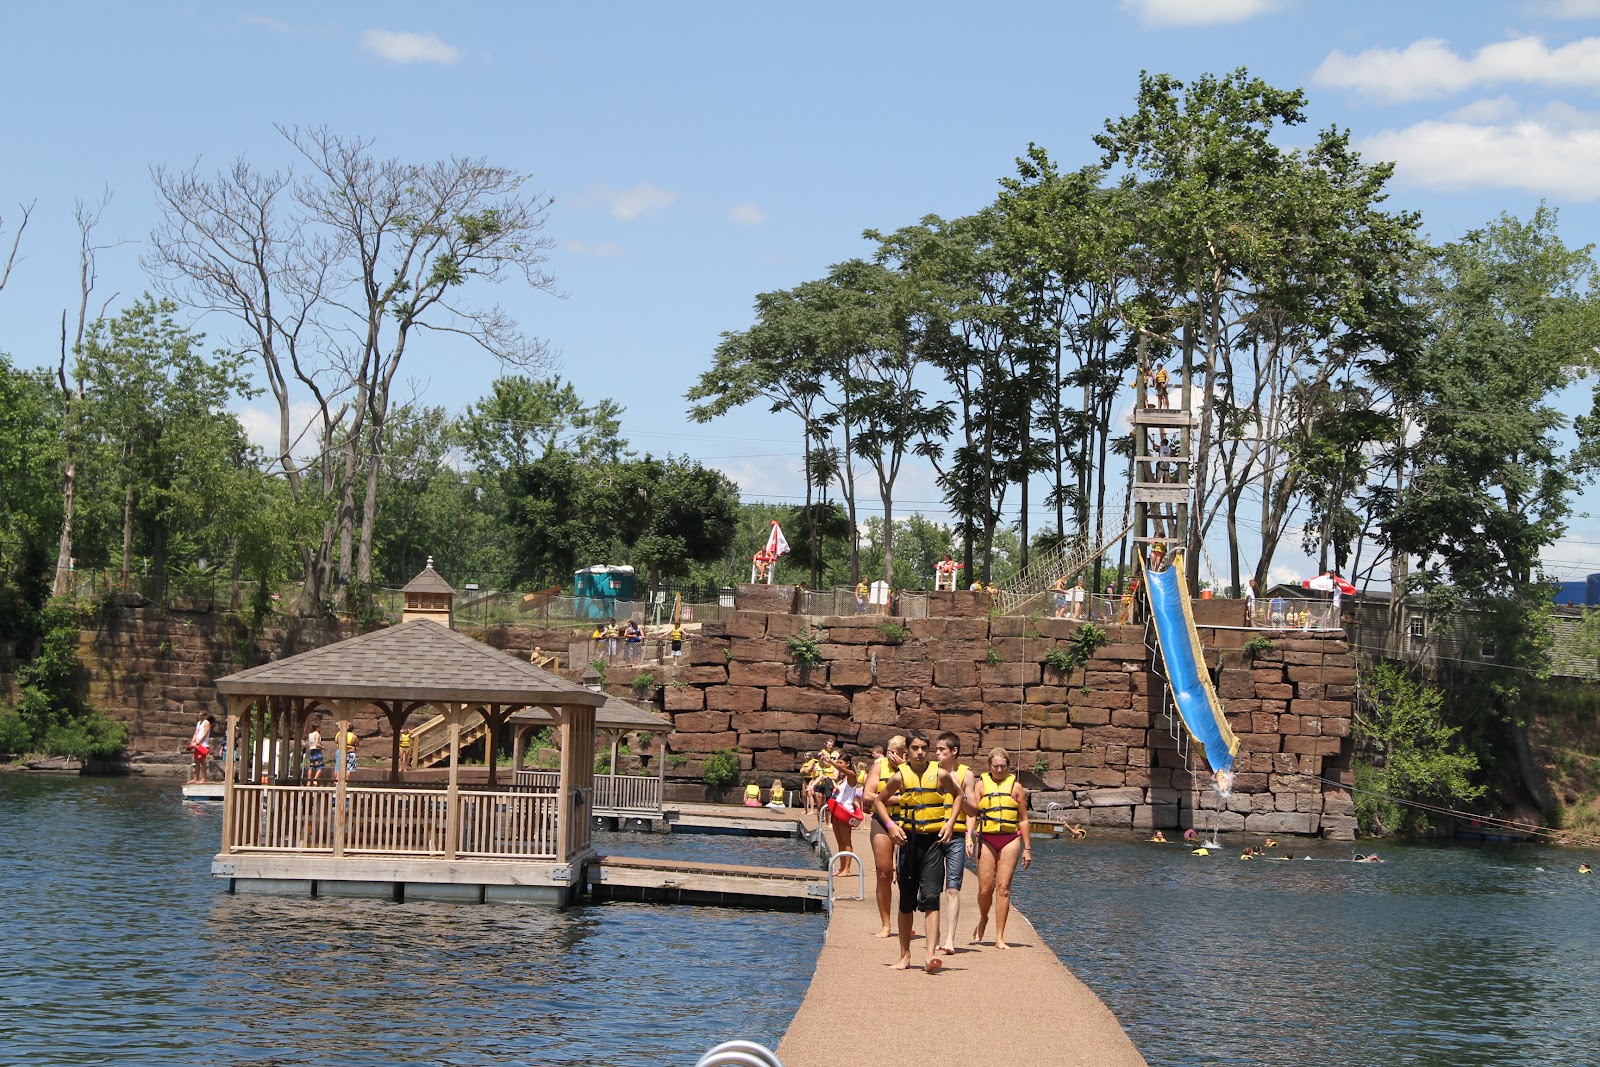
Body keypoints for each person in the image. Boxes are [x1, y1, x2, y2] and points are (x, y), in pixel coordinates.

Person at [873, 730, 970, 973]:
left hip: (933, 843)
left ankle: (930, 955)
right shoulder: (899, 776)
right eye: (915, 748)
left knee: (931, 898)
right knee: (906, 901)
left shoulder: (941, 774)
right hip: (909, 842)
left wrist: (950, 823)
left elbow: (959, 795)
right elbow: (878, 800)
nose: (920, 752)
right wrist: (891, 825)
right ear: (907, 751)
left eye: (924, 748)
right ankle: (904, 955)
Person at [969, 747, 1031, 949]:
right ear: (989, 766)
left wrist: (1028, 848)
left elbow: (1023, 819)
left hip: (1010, 839)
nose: (999, 769)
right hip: (986, 838)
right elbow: (972, 814)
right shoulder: (980, 786)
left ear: (1008, 766)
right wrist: (969, 836)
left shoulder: (1016, 787)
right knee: (985, 889)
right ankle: (983, 917)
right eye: (995, 766)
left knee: (1003, 888)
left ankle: (999, 937)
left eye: (1002, 766)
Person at [933, 732, 975, 956]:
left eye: (942, 749)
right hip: (933, 833)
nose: (937, 753)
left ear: (954, 751)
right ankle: (935, 935)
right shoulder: (931, 772)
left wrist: (960, 793)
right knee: (931, 888)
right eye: (937, 749)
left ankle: (950, 939)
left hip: (956, 836)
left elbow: (973, 810)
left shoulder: (966, 774)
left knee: (952, 888)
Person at [864, 734, 907, 937]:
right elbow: (868, 795)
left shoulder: (912, 768)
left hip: (906, 822)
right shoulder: (879, 766)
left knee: (905, 874)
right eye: (889, 752)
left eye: (895, 753)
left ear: (904, 754)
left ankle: (905, 921)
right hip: (882, 820)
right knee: (884, 872)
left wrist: (903, 768)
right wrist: (896, 799)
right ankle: (886, 924)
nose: (891, 756)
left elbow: (916, 795)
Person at [824, 754, 864, 876]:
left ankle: (847, 869)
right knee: (839, 841)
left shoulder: (851, 775)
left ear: (848, 763)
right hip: (837, 810)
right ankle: (841, 867)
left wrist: (831, 762)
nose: (839, 765)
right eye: (838, 762)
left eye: (841, 762)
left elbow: (841, 769)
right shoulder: (842, 779)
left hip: (846, 811)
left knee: (846, 840)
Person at [186, 713, 213, 784]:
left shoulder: (206, 723)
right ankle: (196, 778)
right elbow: (196, 733)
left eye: (201, 715)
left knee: (202, 761)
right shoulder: (198, 723)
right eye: (199, 715)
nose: (200, 717)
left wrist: (198, 742)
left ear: (205, 716)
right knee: (196, 761)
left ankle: (204, 778)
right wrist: (192, 742)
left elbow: (205, 734)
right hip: (197, 745)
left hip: (203, 745)